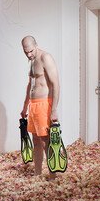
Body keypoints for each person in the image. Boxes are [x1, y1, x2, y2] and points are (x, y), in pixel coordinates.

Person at [20, 36, 60, 180]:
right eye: (25, 52)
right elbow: (30, 86)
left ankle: (53, 175)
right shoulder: (31, 61)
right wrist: (25, 107)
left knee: (45, 141)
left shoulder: (45, 57)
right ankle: (37, 174)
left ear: (36, 45)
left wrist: (54, 109)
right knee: (35, 140)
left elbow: (55, 84)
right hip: (33, 105)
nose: (29, 54)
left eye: (30, 51)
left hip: (44, 104)